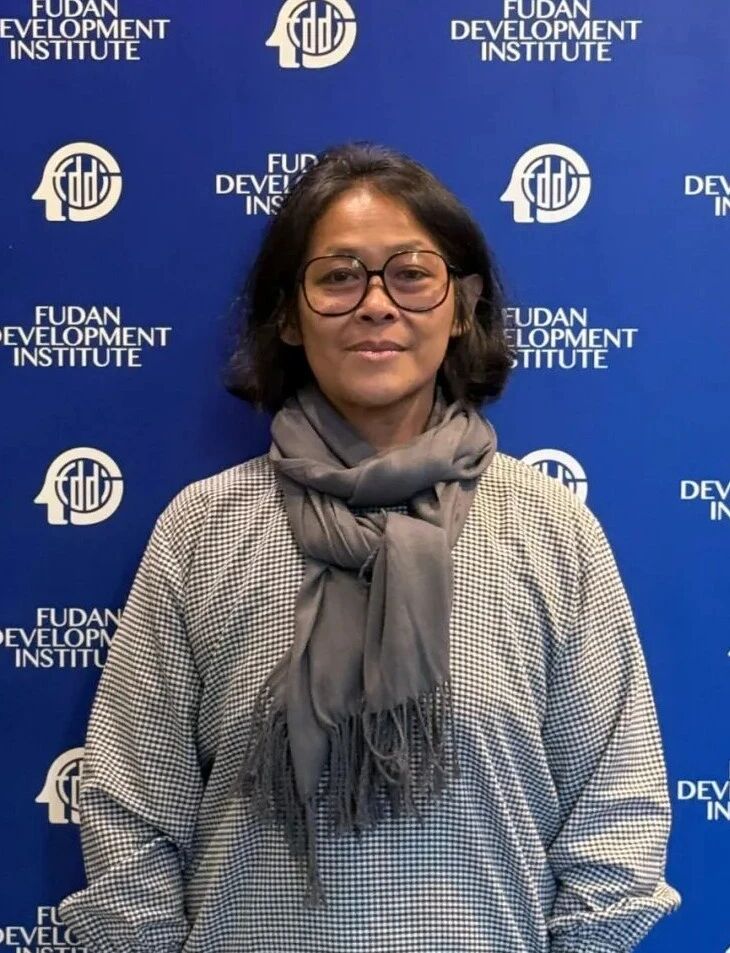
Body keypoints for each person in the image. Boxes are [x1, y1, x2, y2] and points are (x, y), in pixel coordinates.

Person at [57, 141, 681, 953]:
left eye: (411, 274)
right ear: (289, 315)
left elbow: (617, 813)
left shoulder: (549, 528)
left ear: (462, 307)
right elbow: (131, 811)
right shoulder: (203, 529)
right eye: (338, 276)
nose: (377, 304)